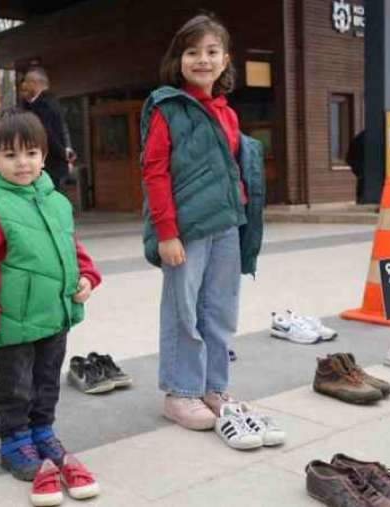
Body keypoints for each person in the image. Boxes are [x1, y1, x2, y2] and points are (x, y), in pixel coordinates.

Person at [141, 14, 278, 446]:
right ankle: (180, 393)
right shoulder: (167, 108)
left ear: (225, 60)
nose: (203, 59)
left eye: (212, 51)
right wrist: (166, 232)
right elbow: (154, 172)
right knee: (183, 310)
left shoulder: (226, 112)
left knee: (219, 311)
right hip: (186, 228)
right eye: (193, 51)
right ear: (178, 59)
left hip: (227, 225)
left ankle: (213, 388)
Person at [0, 108, 101, 503]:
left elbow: (69, 246)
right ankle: (14, 441)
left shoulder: (55, 201)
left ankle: (42, 431)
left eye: (31, 153)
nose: (23, 163)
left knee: (46, 381)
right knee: (14, 386)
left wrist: (86, 276)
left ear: (44, 155)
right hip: (11, 319)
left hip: (54, 313)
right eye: (10, 155)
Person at [19, 67, 76, 189]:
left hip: (50, 164)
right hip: (54, 163)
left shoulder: (43, 105)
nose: (24, 86)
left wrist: (62, 153)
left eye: (27, 82)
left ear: (34, 83)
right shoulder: (50, 102)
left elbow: (46, 134)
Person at [346, 130, 366, 204]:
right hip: (362, 167)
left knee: (362, 183)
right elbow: (349, 158)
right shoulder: (362, 138)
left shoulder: (359, 138)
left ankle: (360, 201)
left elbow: (348, 158)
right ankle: (361, 200)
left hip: (360, 167)